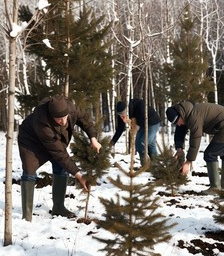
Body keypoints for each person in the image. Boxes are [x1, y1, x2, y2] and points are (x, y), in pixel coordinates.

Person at [18, 94, 102, 222]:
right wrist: (78, 175)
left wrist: (93, 138)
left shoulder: (71, 109)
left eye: (64, 118)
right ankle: (27, 215)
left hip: (54, 141)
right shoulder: (42, 122)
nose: (63, 122)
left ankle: (59, 207)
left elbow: (85, 120)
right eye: (58, 119)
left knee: (61, 168)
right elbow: (59, 153)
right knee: (29, 171)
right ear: (52, 116)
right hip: (31, 142)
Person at [166, 101, 224, 195]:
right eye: (175, 123)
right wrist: (179, 149)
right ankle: (223, 187)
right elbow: (180, 131)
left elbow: (196, 138)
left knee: (210, 154)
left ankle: (215, 188)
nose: (178, 124)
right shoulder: (186, 114)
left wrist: (188, 161)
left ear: (180, 115)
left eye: (177, 121)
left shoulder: (194, 116)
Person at [111, 98, 161, 165]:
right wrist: (111, 143)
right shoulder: (121, 115)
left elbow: (139, 123)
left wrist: (132, 123)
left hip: (152, 122)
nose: (122, 119)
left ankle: (154, 164)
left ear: (127, 111)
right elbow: (120, 129)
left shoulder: (139, 106)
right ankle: (145, 166)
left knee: (143, 142)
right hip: (141, 125)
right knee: (138, 143)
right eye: (120, 116)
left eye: (123, 116)